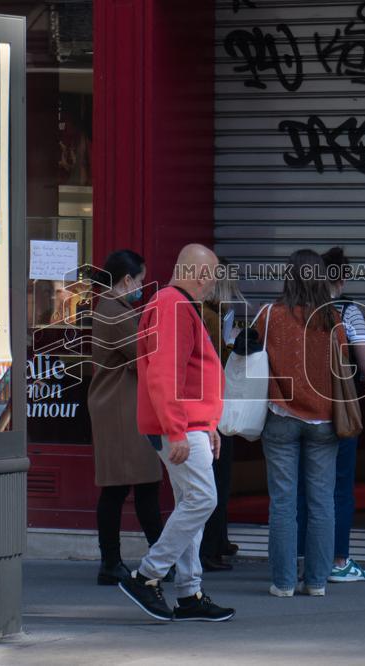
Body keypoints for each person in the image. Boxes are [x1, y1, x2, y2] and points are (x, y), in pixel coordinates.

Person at [118, 243, 234, 622]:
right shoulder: (174, 305)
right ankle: (148, 576)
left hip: (188, 424)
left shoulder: (170, 303)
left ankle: (188, 592)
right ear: (201, 275)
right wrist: (179, 430)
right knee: (202, 500)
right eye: (214, 278)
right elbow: (165, 372)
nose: (214, 286)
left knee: (192, 503)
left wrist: (206, 425)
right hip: (181, 426)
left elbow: (177, 373)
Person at [256, 249, 346, 598]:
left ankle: (283, 582)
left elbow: (246, 352)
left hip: (280, 417)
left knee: (283, 502)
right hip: (324, 419)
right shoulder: (332, 318)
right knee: (322, 501)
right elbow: (343, 360)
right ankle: (318, 582)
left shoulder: (269, 315)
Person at [296, 247, 365, 584]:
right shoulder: (346, 311)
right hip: (335, 411)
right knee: (339, 487)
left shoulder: (289, 309)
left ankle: (302, 560)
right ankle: (338, 560)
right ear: (341, 280)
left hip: (294, 410)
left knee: (301, 489)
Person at [87, 250, 165, 586]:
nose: (143, 286)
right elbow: (143, 356)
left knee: (129, 487)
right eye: (141, 279)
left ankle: (138, 559)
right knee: (134, 487)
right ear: (127, 280)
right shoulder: (115, 312)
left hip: (121, 407)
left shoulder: (113, 308)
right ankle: (125, 561)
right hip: (121, 409)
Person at [199, 258, 244, 572]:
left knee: (215, 478)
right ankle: (210, 548)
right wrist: (233, 344)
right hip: (213, 408)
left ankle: (219, 540)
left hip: (208, 407)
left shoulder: (210, 314)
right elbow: (214, 363)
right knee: (217, 479)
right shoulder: (212, 317)